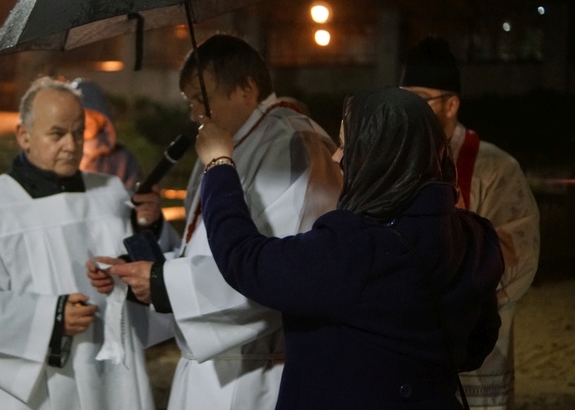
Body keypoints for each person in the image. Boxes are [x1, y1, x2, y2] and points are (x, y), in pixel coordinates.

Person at [195, 86, 505, 409]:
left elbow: (245, 260)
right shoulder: (475, 237)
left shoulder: (355, 250)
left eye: (346, 145)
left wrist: (219, 164)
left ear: (378, 156)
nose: (336, 156)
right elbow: (477, 348)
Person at [88, 34, 343, 409]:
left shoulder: (293, 144)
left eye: (200, 99)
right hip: (213, 365)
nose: (194, 114)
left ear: (246, 88)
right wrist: (147, 258)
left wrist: (162, 283)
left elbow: (278, 269)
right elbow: (206, 244)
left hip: (259, 373)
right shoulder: (231, 141)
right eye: (189, 101)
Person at [0, 76, 168, 409]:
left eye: (78, 132)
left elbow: (154, 274)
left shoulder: (110, 192)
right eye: (57, 134)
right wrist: (51, 318)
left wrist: (150, 225)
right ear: (24, 136)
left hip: (115, 373)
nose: (72, 146)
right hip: (49, 384)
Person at [399, 36, 540, 410]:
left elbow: (518, 252)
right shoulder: (396, 162)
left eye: (420, 98)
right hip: (407, 346)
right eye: (403, 97)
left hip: (475, 346)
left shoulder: (496, 167)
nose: (408, 109)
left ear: (451, 104)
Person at [71, 78, 143, 191]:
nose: (84, 121)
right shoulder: (58, 154)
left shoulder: (121, 161)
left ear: (102, 118)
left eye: (90, 115)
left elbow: (131, 199)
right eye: (79, 115)